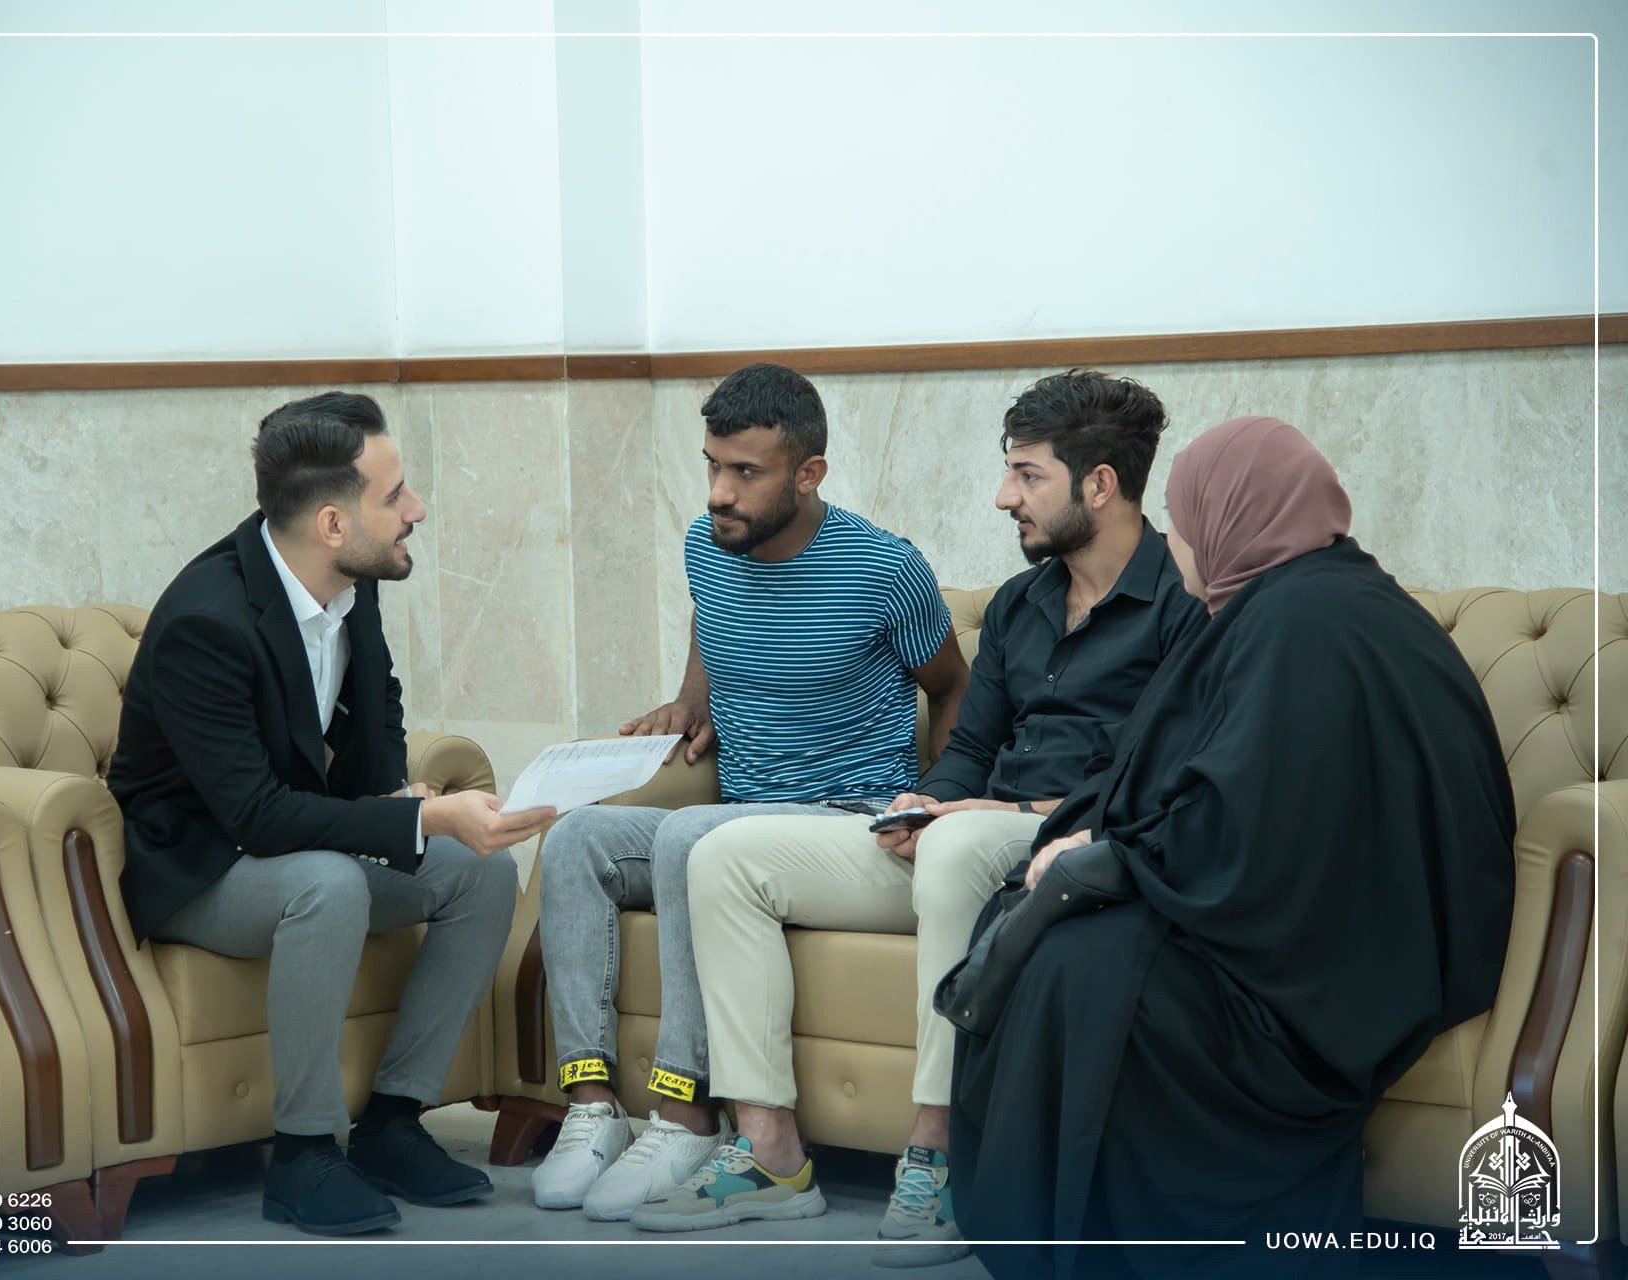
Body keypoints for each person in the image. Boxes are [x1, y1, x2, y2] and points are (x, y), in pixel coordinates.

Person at [645, 371, 1208, 1259]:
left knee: (956, 846)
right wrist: (926, 800)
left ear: (1099, 485)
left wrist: (991, 810)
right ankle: (770, 1155)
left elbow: (1165, 782)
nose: (1003, 496)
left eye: (1027, 475)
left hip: (1080, 841)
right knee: (724, 856)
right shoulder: (1022, 603)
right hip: (974, 836)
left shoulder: (1186, 604)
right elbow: (970, 744)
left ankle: (940, 1155)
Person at [947, 416, 1516, 1279]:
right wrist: (1095, 839)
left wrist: (1110, 857)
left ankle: (1095, 1248)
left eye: (1184, 521)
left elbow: (1252, 822)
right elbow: (1189, 774)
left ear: (1230, 519)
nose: (1176, 545)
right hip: (1312, 924)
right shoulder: (1296, 602)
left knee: (1079, 969)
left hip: (1328, 968)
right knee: (1044, 930)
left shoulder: (1302, 623)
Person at [530, 363, 970, 1221]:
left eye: (744, 471)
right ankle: (590, 1105)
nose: (718, 492)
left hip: (843, 822)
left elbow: (952, 688)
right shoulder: (709, 544)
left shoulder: (884, 569)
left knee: (692, 837)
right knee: (577, 837)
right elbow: (712, 616)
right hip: (735, 809)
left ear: (809, 473)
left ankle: (685, 1113)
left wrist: (939, 806)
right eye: (711, 465)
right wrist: (691, 697)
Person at [110, 392, 557, 1237]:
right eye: (396, 495)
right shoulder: (206, 622)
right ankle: (304, 1153)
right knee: (329, 886)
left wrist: (393, 793)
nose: (415, 509)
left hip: (292, 840)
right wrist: (421, 822)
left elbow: (377, 701)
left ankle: (392, 1122)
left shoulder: (353, 578)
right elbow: (255, 817)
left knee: (483, 875)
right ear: (331, 523)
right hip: (201, 867)